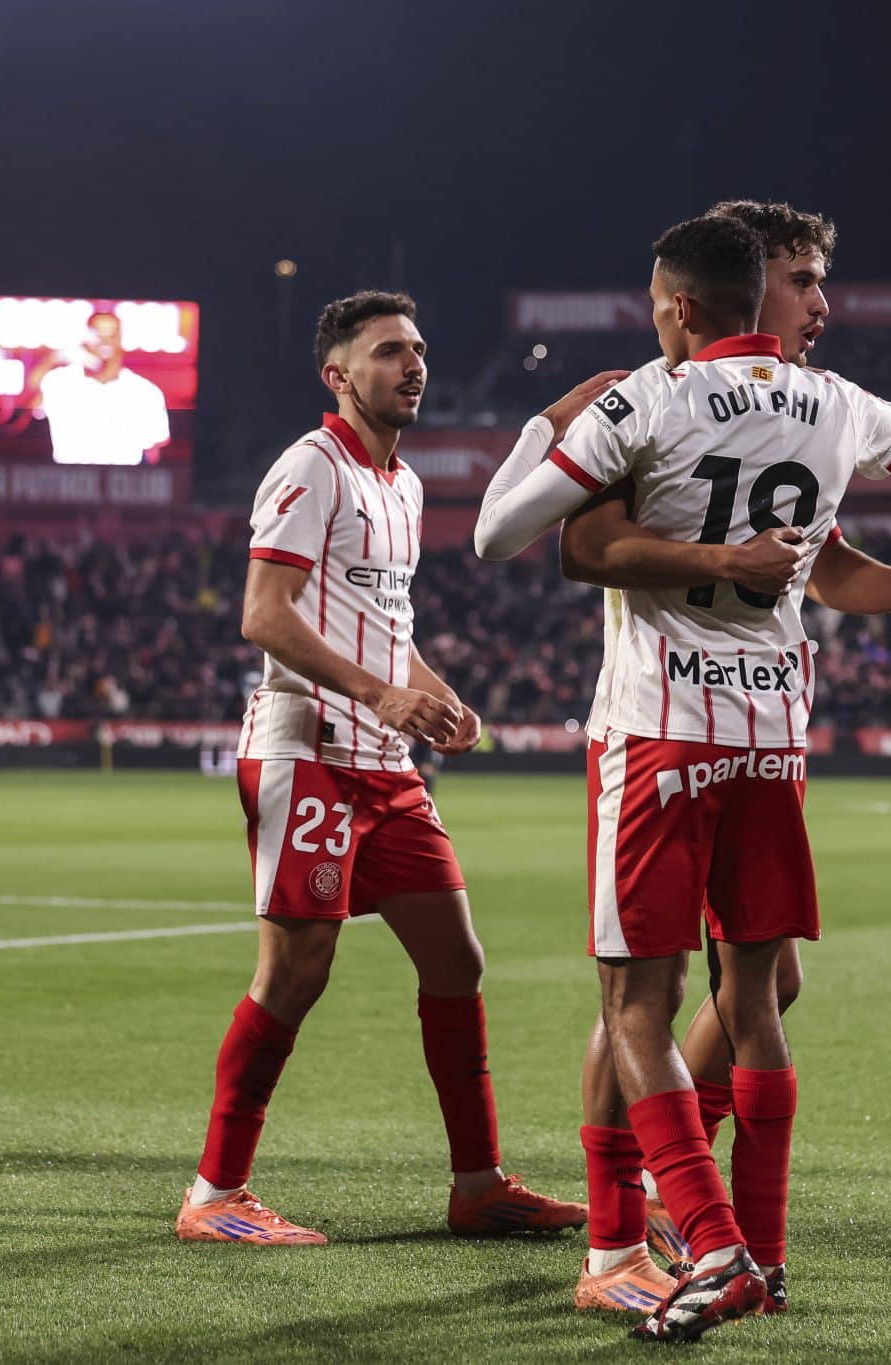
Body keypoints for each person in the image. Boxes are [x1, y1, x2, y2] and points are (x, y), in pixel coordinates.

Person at [474, 216, 891, 1342]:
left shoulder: (644, 399)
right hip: (769, 740)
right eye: (803, 283)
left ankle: (705, 1246)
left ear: (679, 307)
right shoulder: (832, 400)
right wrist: (847, 456)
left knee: (633, 1006)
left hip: (658, 732)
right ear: (761, 297)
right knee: (755, 998)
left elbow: (500, 535)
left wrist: (546, 421)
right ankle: (763, 1250)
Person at [176, 291, 587, 1246]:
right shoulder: (310, 466)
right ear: (339, 373)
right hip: (308, 749)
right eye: (388, 351)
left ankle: (478, 1184)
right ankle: (215, 1194)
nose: (413, 365)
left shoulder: (401, 486)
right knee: (296, 970)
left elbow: (389, 633)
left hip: (383, 760)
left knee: (457, 958)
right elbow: (264, 614)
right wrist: (379, 694)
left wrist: (435, 694)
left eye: (419, 350)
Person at [32, 310, 171, 465]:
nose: (105, 342)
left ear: (120, 339)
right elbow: (30, 400)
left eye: (111, 335)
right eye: (98, 335)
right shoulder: (60, 382)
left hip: (123, 483)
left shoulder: (144, 391)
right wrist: (56, 357)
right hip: (70, 482)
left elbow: (154, 451)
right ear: (86, 338)